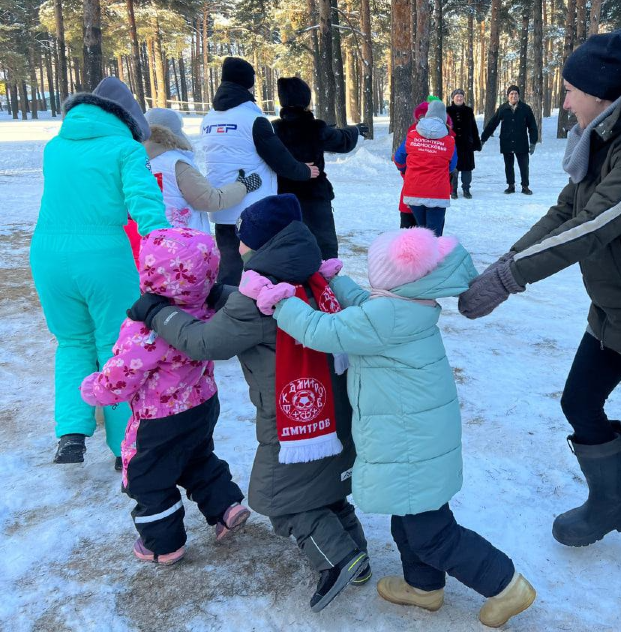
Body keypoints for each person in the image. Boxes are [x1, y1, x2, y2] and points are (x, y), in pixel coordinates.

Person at [459, 30, 621, 601]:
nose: (563, 103)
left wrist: (510, 280)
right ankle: (614, 500)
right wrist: (505, 262)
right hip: (615, 303)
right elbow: (566, 209)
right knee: (579, 402)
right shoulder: (605, 133)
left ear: (605, 93)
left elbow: (596, 224)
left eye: (571, 91)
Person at [244, 227, 535, 628]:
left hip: (410, 445)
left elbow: (321, 331)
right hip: (417, 439)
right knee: (408, 518)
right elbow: (365, 305)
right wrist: (336, 281)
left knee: (432, 532)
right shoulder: (406, 305)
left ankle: (506, 585)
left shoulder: (387, 317)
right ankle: (424, 587)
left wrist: (281, 303)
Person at [127, 194, 368, 612]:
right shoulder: (310, 277)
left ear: (262, 246)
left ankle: (338, 560)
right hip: (334, 407)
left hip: (291, 419)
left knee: (277, 498)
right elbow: (243, 304)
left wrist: (158, 314)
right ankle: (358, 556)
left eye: (242, 240)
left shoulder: (256, 301)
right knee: (325, 485)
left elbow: (204, 343)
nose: (236, 247)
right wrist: (217, 295)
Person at [81, 228, 249, 565]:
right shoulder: (207, 310)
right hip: (203, 406)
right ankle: (226, 507)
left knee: (149, 478)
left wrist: (96, 388)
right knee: (197, 458)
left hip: (160, 420)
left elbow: (123, 374)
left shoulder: (146, 327)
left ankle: (163, 544)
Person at [30, 77, 168, 467]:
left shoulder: (54, 147)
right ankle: (124, 445)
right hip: (104, 255)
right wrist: (166, 248)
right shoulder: (126, 149)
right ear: (128, 119)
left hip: (47, 256)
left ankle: (70, 435)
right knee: (115, 344)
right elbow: (145, 203)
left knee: (72, 342)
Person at [201, 57, 320, 285]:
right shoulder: (253, 118)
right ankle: (257, 313)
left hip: (221, 204)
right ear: (249, 83)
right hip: (253, 208)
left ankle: (226, 312)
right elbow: (278, 158)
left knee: (229, 268)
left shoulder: (209, 119)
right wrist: (304, 171)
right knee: (257, 267)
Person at [272, 76, 369, 256]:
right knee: (324, 248)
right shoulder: (315, 127)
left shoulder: (274, 128)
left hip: (282, 196)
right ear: (305, 99)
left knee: (286, 247)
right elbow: (342, 142)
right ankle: (324, 283)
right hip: (314, 196)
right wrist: (354, 130)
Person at [144, 107, 262, 231]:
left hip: (149, 239)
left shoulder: (135, 162)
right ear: (174, 133)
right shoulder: (175, 165)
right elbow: (209, 199)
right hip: (182, 241)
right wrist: (243, 186)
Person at [394, 100, 457, 236]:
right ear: (444, 118)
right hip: (437, 193)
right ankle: (432, 256)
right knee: (433, 236)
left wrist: (407, 169)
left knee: (419, 233)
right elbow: (452, 166)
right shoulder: (449, 140)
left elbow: (398, 158)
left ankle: (417, 255)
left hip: (414, 191)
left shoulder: (412, 135)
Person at [480, 84, 539, 194]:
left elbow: (532, 126)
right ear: (508, 96)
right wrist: (483, 139)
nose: (514, 96)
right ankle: (511, 185)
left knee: (524, 166)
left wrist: (533, 142)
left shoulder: (525, 108)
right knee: (508, 165)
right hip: (506, 141)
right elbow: (492, 124)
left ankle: (525, 186)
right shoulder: (503, 109)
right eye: (511, 94)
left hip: (521, 142)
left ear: (519, 96)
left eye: (516, 93)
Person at [447, 88, 482, 199]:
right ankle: (453, 190)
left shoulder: (468, 111)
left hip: (467, 145)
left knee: (467, 169)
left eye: (461, 96)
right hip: (453, 145)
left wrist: (476, 142)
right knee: (454, 168)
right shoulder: (447, 111)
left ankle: (466, 189)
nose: (459, 98)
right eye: (457, 96)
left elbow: (473, 127)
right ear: (453, 98)